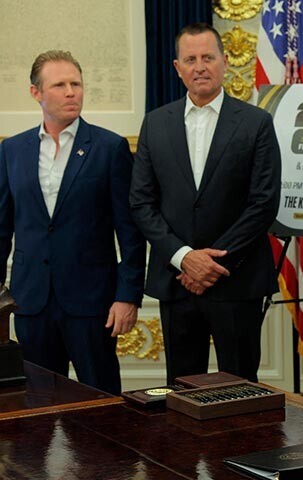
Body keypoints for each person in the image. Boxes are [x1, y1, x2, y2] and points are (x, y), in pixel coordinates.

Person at [130, 23, 281, 384]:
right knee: (182, 390)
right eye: (191, 59)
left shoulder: (256, 123)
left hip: (237, 280)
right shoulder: (155, 124)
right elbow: (141, 202)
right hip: (176, 282)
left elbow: (263, 203)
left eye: (208, 58)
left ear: (224, 62)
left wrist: (211, 265)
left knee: (240, 389)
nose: (200, 67)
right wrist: (184, 258)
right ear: (177, 67)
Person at [0, 50, 146, 395]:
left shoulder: (109, 147)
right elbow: (2, 228)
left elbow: (130, 231)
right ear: (36, 92)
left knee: (101, 402)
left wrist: (128, 296)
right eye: (60, 85)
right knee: (37, 407)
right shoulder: (12, 150)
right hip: (31, 301)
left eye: (76, 84)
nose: (71, 92)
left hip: (92, 303)